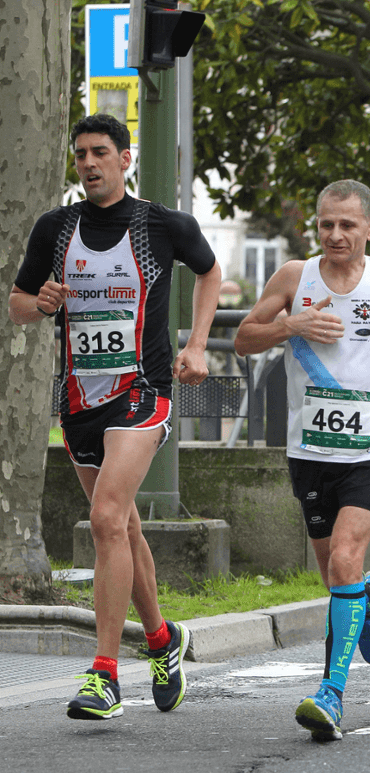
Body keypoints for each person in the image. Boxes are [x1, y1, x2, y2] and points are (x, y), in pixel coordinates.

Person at [9, 114, 221, 721]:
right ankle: (160, 640)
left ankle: (104, 675)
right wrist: (39, 301)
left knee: (104, 516)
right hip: (79, 400)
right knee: (120, 526)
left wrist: (199, 343)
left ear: (126, 159)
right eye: (80, 155)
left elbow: (210, 271)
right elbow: (20, 304)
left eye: (100, 152)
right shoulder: (56, 228)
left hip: (143, 391)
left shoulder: (164, 225)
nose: (89, 164)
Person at [235, 179, 370, 740]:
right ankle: (369, 596)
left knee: (344, 558)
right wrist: (290, 325)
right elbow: (245, 338)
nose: (335, 234)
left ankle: (331, 695)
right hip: (310, 448)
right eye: (326, 224)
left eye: (347, 225)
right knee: (334, 571)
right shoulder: (294, 277)